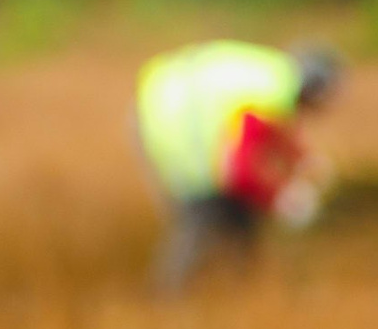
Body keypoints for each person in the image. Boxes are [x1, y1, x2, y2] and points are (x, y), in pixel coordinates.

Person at [134, 40, 341, 289]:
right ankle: (167, 297)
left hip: (163, 103)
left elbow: (275, 132)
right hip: (174, 122)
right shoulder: (270, 93)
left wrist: (304, 161)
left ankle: (237, 287)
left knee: (236, 213)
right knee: (201, 209)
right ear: (315, 91)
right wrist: (282, 199)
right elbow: (240, 174)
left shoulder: (275, 79)